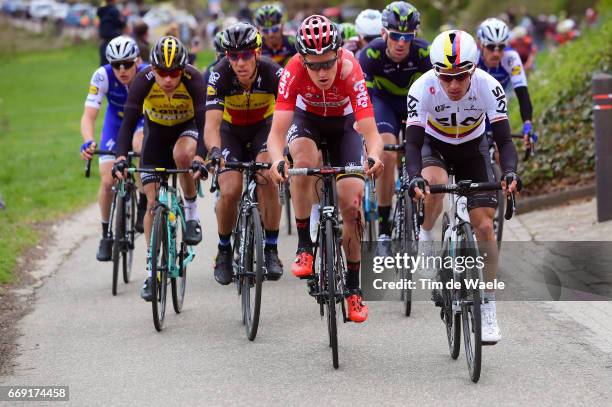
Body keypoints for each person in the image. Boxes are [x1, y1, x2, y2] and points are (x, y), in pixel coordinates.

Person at [404, 30, 521, 344]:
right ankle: (427, 232)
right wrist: (415, 176)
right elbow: (412, 144)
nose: (453, 85)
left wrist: (509, 172)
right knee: (434, 183)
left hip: (473, 148)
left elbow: (505, 141)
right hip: (434, 146)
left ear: (472, 70)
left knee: (484, 225)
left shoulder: (489, 86)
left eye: (460, 77)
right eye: (446, 78)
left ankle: (488, 305)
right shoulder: (422, 88)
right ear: (435, 73)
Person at [267, 15, 384, 323]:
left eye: (326, 63)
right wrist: (278, 159)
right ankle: (305, 245)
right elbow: (277, 132)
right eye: (313, 65)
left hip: (344, 127)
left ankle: (355, 290)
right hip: (307, 122)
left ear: (338, 54)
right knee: (303, 163)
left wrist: (374, 156)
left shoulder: (350, 69)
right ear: (302, 59)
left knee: (352, 206)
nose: (320, 72)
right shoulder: (293, 71)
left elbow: (372, 133)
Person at [112, 36, 208, 301]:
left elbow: (204, 123)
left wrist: (201, 157)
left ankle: (191, 213)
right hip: (156, 134)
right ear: (152, 69)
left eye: (174, 72)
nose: (167, 79)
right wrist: (121, 157)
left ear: (183, 69)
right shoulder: (142, 81)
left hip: (186, 129)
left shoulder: (194, 80)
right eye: (162, 72)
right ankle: (152, 270)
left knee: (183, 155)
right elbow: (128, 123)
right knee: (152, 203)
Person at [204, 22, 284, 285]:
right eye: (233, 56)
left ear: (257, 52)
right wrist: (215, 151)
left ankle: (271, 249)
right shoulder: (219, 75)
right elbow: (212, 126)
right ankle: (224, 249)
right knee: (229, 189)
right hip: (231, 133)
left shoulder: (273, 73)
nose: (240, 62)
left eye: (246, 55)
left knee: (267, 178)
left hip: (264, 130)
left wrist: (285, 151)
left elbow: (288, 117)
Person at [358, 1, 431, 255]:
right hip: (383, 103)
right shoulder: (369, 55)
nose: (401, 43)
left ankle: (424, 223)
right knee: (387, 153)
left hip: (414, 103)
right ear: (383, 34)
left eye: (407, 36)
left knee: (425, 151)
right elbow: (362, 100)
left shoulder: (424, 53)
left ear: (415, 35)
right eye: (395, 36)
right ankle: (385, 228)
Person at [80, 36, 147, 261]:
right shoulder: (102, 75)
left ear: (137, 60)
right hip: (116, 123)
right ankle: (106, 234)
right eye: (116, 64)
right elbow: (88, 116)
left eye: (127, 63)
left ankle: (143, 201)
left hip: (140, 122)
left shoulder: (148, 73)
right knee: (108, 181)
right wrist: (88, 141)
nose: (122, 69)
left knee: (140, 146)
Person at [476, 18, 535, 151]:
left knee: (501, 150)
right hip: (471, 109)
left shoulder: (511, 58)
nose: (496, 53)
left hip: (496, 107)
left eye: (501, 47)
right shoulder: (472, 56)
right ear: (481, 44)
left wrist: (527, 125)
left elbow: (522, 93)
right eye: (491, 47)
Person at [97, 0, 126, 66]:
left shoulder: (101, 10)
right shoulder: (114, 11)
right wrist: (124, 21)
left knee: (104, 64)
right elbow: (119, 23)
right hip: (114, 39)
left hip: (103, 40)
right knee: (115, 63)